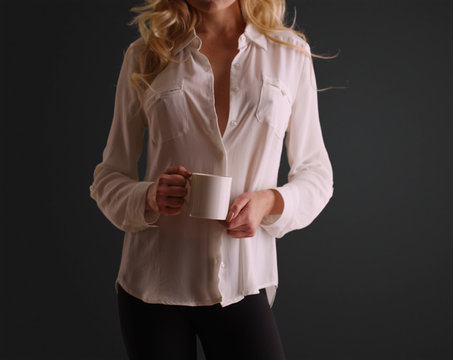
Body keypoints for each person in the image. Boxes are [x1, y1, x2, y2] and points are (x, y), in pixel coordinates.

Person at [89, 0, 334, 358]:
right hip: (153, 285)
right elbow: (108, 176)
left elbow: (317, 173)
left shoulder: (289, 53)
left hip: (243, 280)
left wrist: (270, 201)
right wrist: (148, 196)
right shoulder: (146, 55)